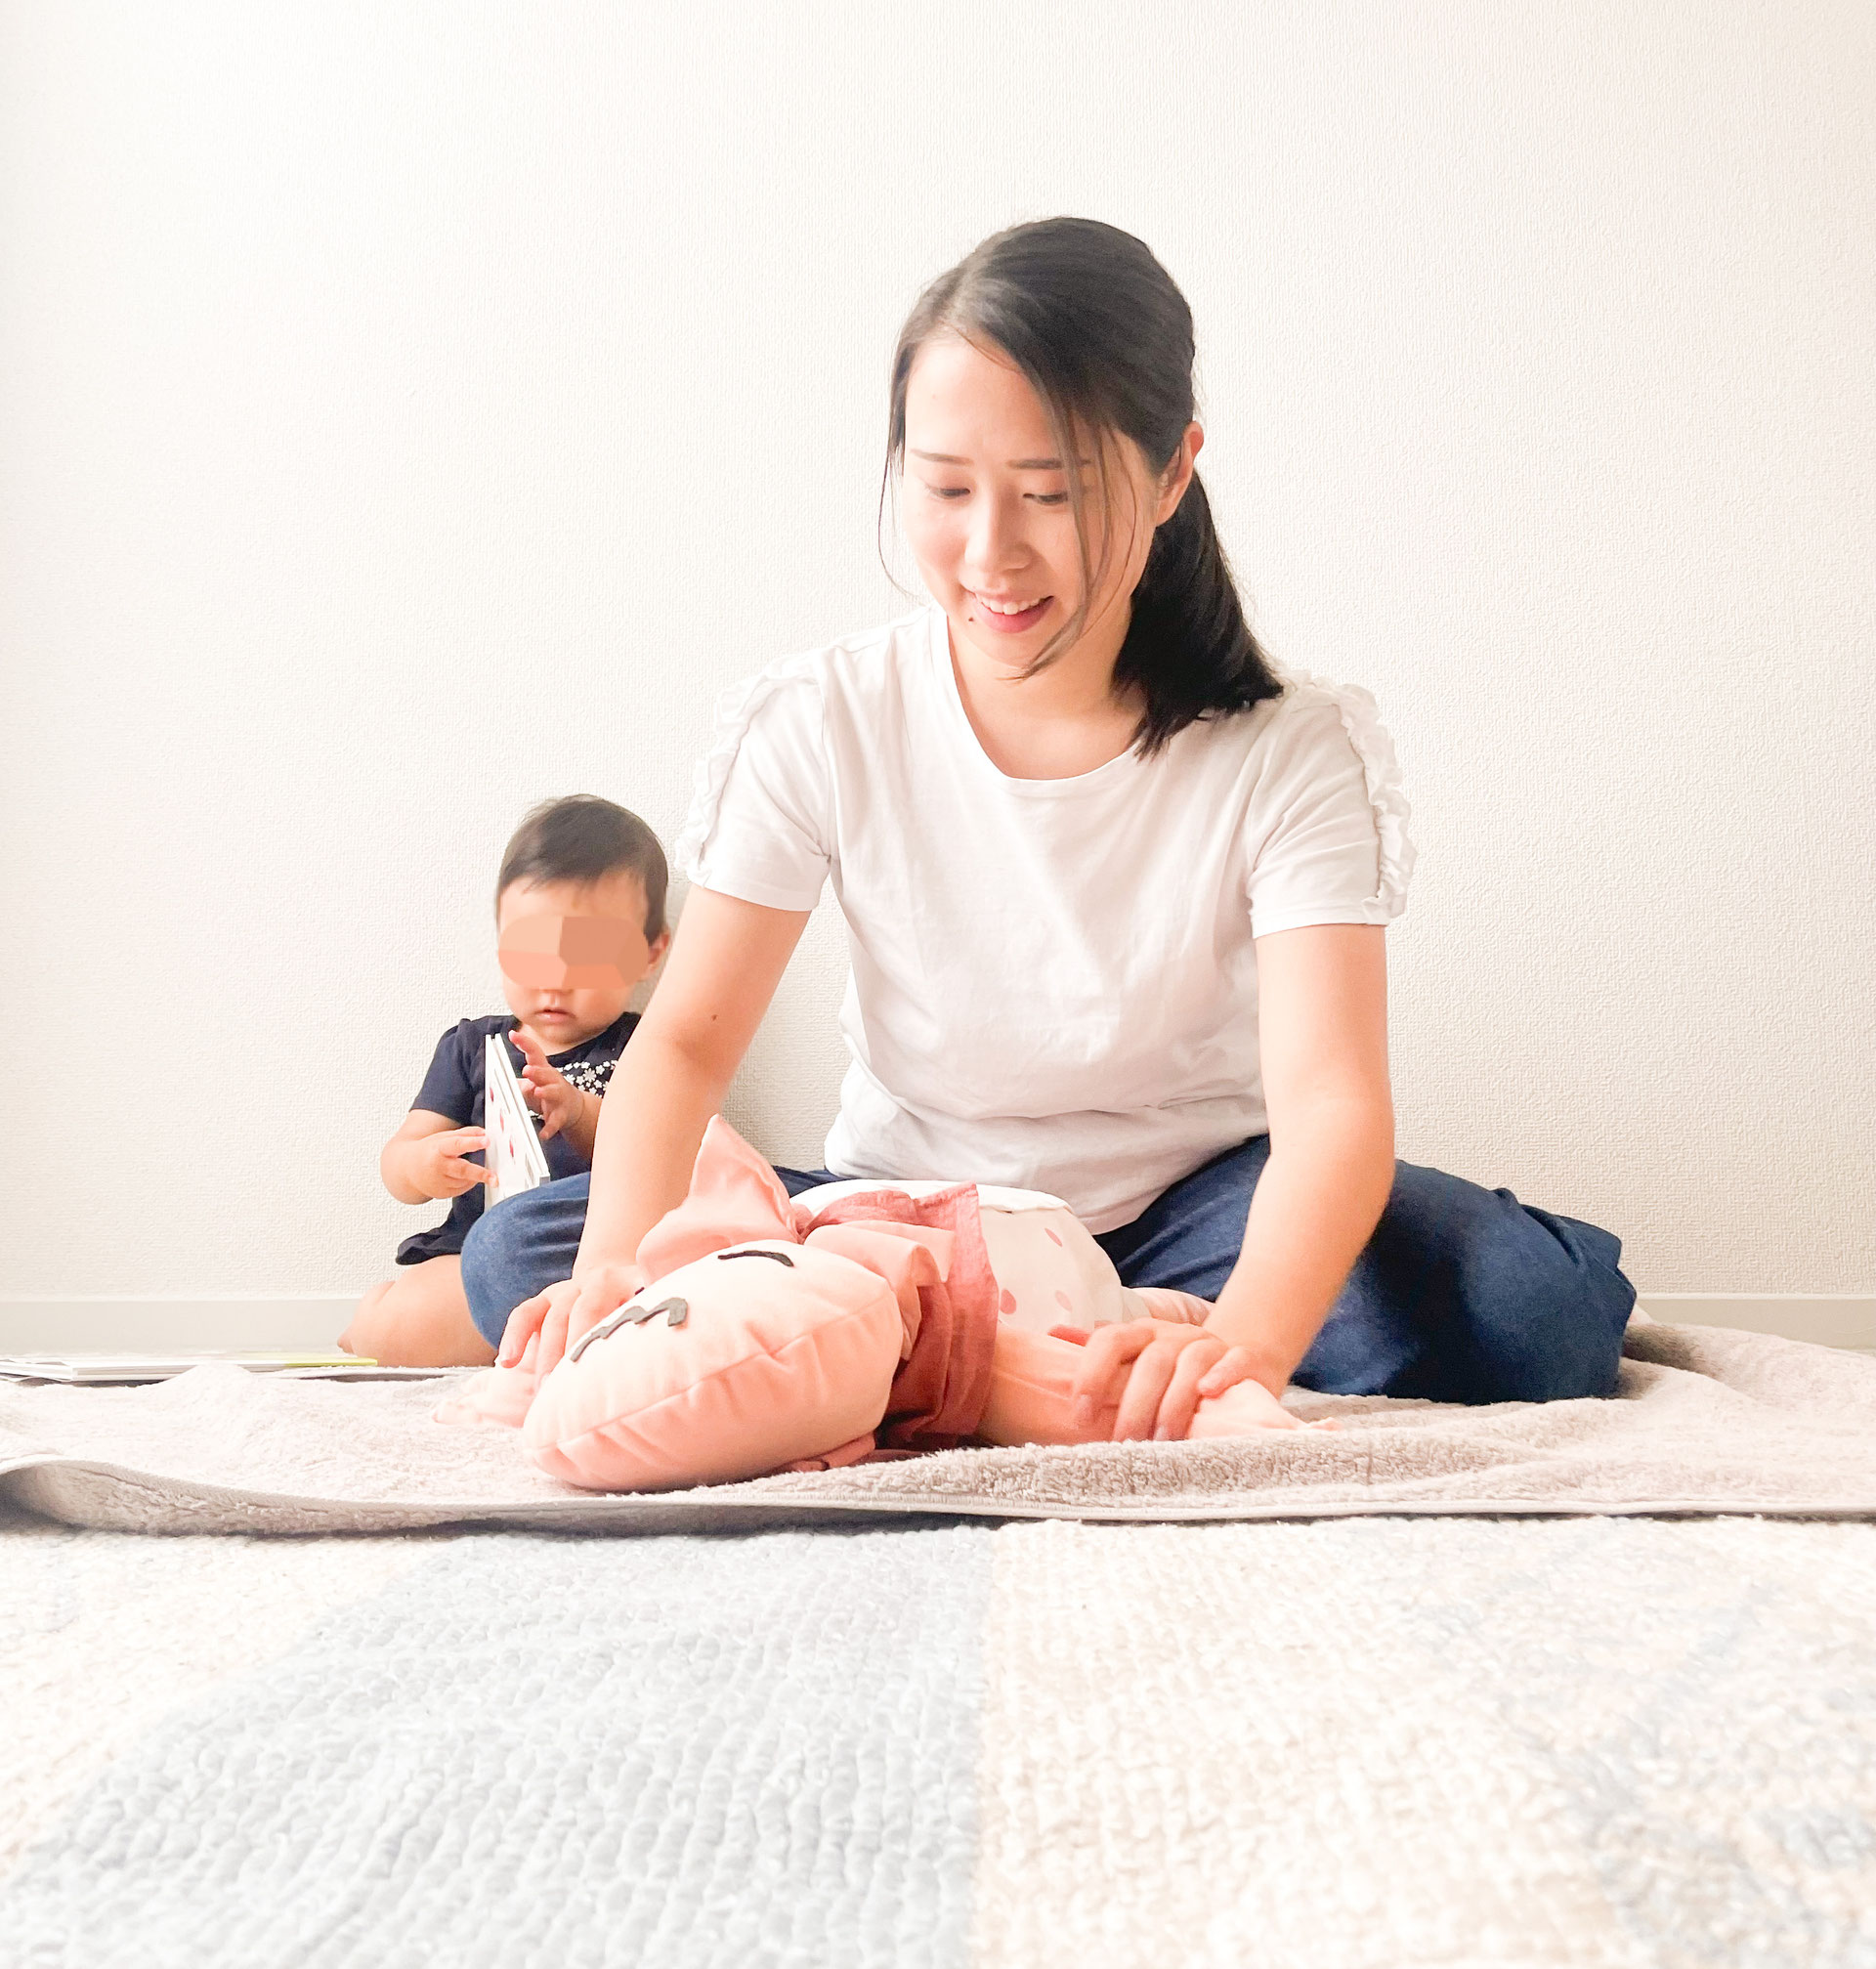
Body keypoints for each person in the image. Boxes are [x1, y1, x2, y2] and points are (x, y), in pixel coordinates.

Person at [471, 217, 1635, 1439]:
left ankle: (926, 1355)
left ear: (1173, 472)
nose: (990, 554)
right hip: (904, 1214)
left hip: (1192, 1211)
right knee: (524, 1253)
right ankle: (975, 1335)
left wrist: (1242, 1344)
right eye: (947, 488)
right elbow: (690, 1048)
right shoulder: (820, 717)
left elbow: (1331, 1103)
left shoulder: (1291, 750)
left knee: (1533, 1312)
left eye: (1051, 494)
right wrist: (613, 1266)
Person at [340, 795, 669, 1366]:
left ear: (650, 953)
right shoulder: (474, 1047)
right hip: (474, 1253)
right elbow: (399, 1162)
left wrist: (582, 1114)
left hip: (587, 1251)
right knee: (397, 1324)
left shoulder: (652, 1049)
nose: (555, 982)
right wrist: (422, 1166)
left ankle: (548, 1344)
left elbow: (662, 1164)